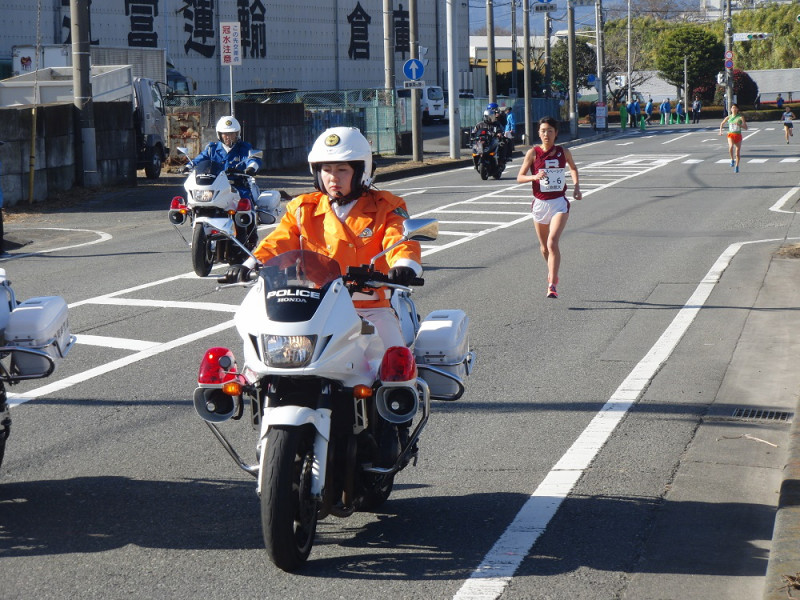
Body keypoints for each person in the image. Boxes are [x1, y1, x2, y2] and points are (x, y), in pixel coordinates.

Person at [222, 126, 422, 351]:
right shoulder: (303, 208)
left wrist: (404, 266)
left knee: (394, 363)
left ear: (363, 171)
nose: (333, 177)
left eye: (342, 169)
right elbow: (278, 242)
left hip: (368, 307)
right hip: (312, 305)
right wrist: (248, 265)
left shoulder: (387, 206)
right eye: (326, 169)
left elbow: (400, 239)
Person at [516, 116, 582, 299]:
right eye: (543, 131)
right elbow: (520, 177)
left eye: (550, 131)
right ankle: (552, 270)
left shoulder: (563, 152)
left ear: (556, 133)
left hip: (559, 202)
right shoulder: (533, 153)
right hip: (540, 204)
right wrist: (534, 177)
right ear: (539, 133)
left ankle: (552, 284)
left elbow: (573, 168)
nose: (547, 134)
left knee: (553, 242)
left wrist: (576, 186)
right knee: (544, 248)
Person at [184, 115, 262, 201]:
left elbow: (252, 159)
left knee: (245, 206)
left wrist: (251, 168)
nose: (228, 137)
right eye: (225, 134)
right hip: (214, 187)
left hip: (237, 186)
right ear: (219, 134)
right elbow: (200, 159)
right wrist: (188, 166)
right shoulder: (211, 149)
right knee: (194, 202)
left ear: (237, 134)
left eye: (232, 134)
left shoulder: (244, 148)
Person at [719, 103, 748, 173]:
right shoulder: (729, 117)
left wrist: (739, 125)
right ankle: (732, 159)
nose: (733, 109)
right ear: (731, 109)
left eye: (735, 108)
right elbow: (722, 123)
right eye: (732, 108)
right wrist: (720, 131)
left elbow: (746, 128)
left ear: (737, 109)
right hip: (731, 135)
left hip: (738, 135)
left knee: (737, 153)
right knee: (731, 146)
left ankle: (737, 166)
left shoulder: (740, 117)